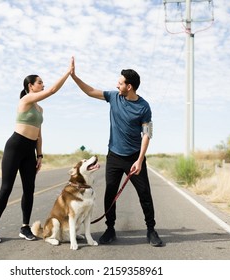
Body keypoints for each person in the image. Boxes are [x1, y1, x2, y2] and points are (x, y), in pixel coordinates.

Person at [70, 58, 163, 247]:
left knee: (145, 194)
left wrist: (139, 159)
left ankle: (151, 230)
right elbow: (90, 91)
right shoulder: (114, 97)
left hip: (134, 158)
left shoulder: (144, 107)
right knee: (110, 194)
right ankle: (110, 229)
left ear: (129, 86)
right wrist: (74, 76)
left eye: (120, 83)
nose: (116, 85)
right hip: (114, 156)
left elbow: (147, 135)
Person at [0, 58, 73, 244]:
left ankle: (25, 227)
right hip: (15, 146)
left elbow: (39, 135)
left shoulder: (40, 109)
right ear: (30, 86)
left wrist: (40, 155)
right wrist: (68, 73)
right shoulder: (25, 100)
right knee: (6, 188)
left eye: (43, 82)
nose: (43, 84)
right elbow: (52, 90)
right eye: (40, 82)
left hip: (29, 150)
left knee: (29, 190)